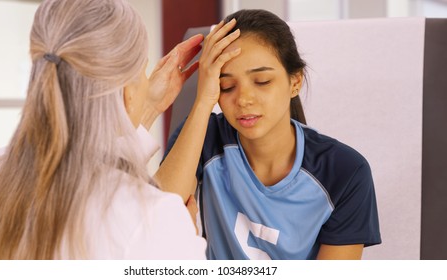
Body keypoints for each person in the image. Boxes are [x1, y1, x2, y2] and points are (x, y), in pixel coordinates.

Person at [0, 0, 206, 260]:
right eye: (143, 71)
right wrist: (184, 240)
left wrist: (146, 109)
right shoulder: (153, 219)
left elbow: (92, 163)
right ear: (127, 90)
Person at [157, 9, 381, 260]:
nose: (243, 99)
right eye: (226, 86)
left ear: (295, 81)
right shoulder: (204, 137)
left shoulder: (345, 171)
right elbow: (155, 223)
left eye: (262, 81)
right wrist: (203, 101)